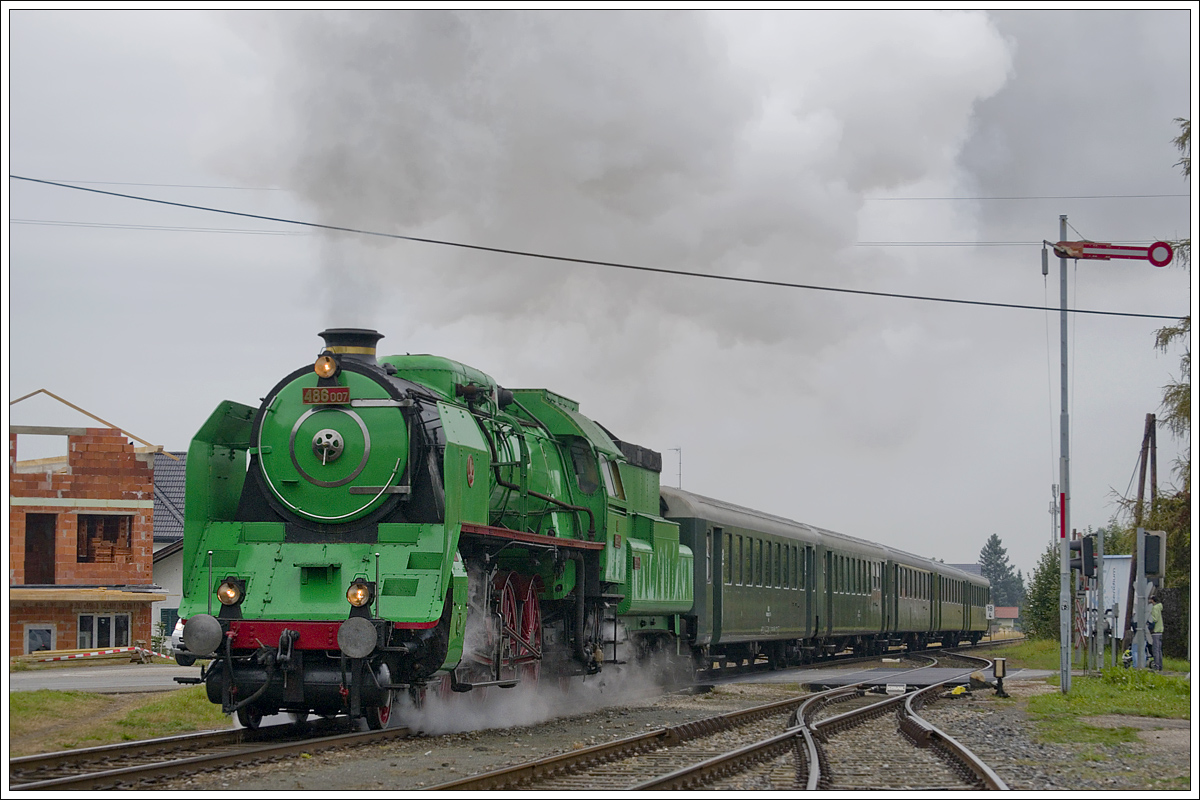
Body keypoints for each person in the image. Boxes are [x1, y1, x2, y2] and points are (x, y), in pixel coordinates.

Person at [1148, 593, 1165, 671]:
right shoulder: (1159, 607)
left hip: (1156, 631)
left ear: (1152, 600)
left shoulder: (1154, 608)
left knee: (1155, 650)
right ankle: (1160, 665)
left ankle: (1157, 666)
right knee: (1159, 650)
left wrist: (1148, 620)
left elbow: (1154, 619)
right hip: (1160, 631)